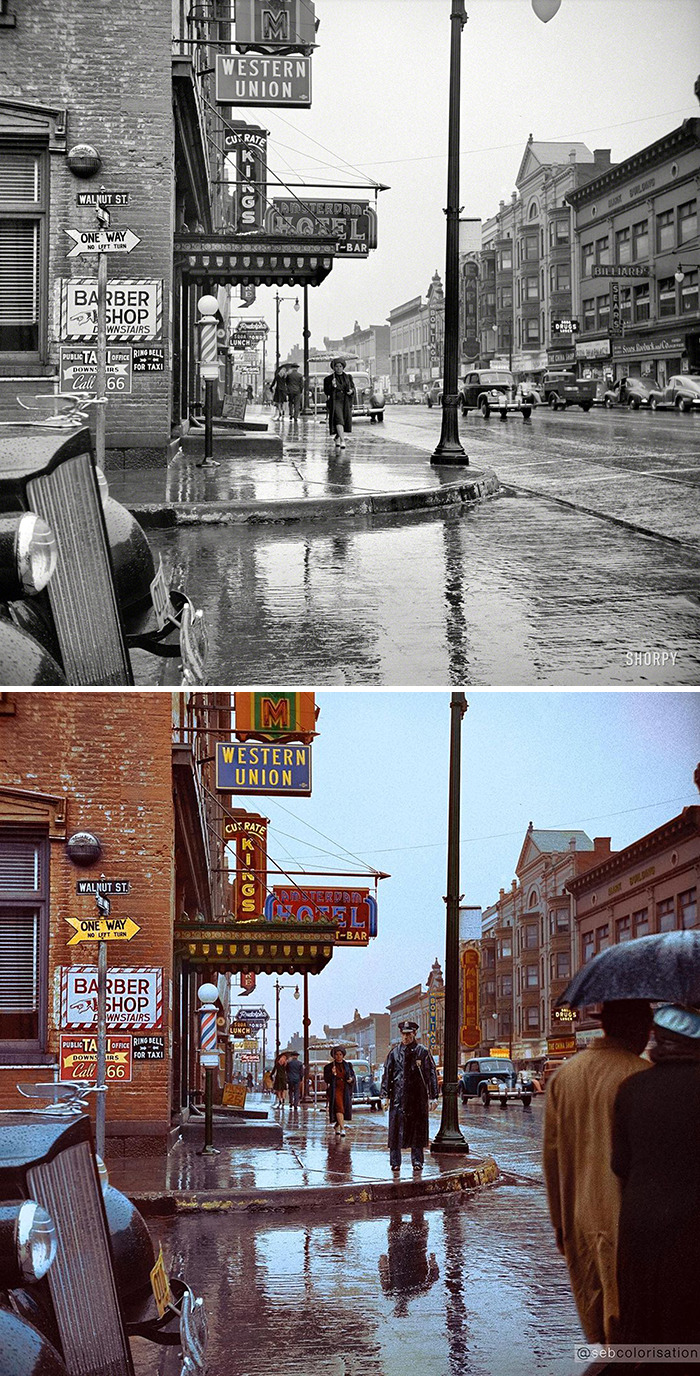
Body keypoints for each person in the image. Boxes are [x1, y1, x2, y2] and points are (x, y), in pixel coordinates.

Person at [542, 998, 652, 1345]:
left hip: (579, 1219)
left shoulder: (564, 1077)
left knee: (599, 1327)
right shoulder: (641, 1075)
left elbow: (552, 1157)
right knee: (634, 1334)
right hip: (630, 1222)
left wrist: (560, 1223)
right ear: (636, 1027)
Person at [612, 1003, 700, 1344]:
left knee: (647, 1337)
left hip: (642, 1229)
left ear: (658, 1041)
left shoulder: (631, 1089)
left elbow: (620, 1165)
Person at [381, 1019, 438, 1175]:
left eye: (408, 1034)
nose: (405, 1038)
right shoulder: (394, 1053)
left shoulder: (423, 1052)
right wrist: (385, 1095)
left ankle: (417, 1161)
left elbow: (431, 1074)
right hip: (398, 1098)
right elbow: (387, 1074)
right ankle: (395, 1162)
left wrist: (433, 1096)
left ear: (414, 1034)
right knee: (395, 1132)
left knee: (417, 1131)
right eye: (403, 1034)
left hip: (417, 1099)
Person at [323, 1045, 356, 1137]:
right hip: (335, 1089)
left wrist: (351, 1080)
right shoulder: (329, 1067)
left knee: (344, 1109)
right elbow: (327, 1079)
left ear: (343, 1055)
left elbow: (353, 1076)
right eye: (336, 1054)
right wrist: (332, 1074)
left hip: (345, 1089)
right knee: (339, 1107)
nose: (338, 1056)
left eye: (340, 1054)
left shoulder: (348, 1065)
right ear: (333, 1056)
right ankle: (342, 1128)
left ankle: (337, 1125)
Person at [323, 357, 356, 448]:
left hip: (345, 401)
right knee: (339, 419)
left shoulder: (348, 377)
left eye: (340, 366)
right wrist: (332, 386)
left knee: (344, 420)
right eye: (336, 366)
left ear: (343, 367)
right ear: (333, 368)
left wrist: (351, 391)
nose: (338, 368)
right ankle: (342, 440)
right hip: (335, 401)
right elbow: (326, 392)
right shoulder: (328, 379)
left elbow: (353, 388)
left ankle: (337, 437)